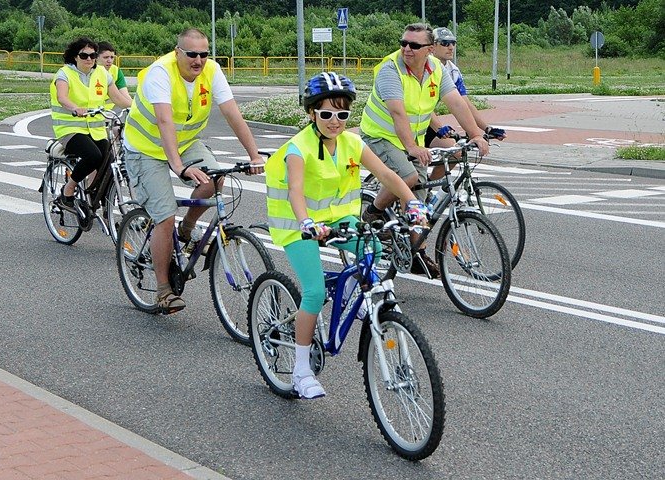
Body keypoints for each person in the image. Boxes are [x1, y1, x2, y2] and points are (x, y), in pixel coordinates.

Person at [265, 72, 428, 399]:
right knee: (312, 293)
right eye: (326, 114)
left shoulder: (353, 143)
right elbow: (296, 192)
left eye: (342, 114)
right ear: (312, 114)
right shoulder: (299, 149)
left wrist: (413, 205)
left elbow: (387, 175)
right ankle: (300, 370)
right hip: (298, 226)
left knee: (375, 254)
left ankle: (359, 298)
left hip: (339, 221)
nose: (335, 121)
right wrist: (306, 222)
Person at [123, 28, 264, 314]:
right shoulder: (160, 73)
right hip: (146, 150)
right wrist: (178, 166)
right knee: (164, 215)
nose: (198, 60)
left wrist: (254, 155)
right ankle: (163, 290)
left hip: (186, 143)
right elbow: (164, 120)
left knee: (216, 178)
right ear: (178, 53)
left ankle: (186, 231)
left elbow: (232, 113)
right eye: (192, 54)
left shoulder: (211, 71)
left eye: (204, 54)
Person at [359, 22, 490, 278]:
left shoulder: (436, 70)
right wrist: (412, 147)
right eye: (403, 43)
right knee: (408, 177)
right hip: (379, 136)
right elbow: (397, 112)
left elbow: (455, 102)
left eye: (415, 45)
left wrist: (476, 133)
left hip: (410, 138)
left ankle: (416, 250)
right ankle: (372, 212)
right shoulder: (390, 69)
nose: (407, 49)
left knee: (418, 202)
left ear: (429, 49)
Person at [50, 37, 132, 212]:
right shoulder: (64, 74)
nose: (89, 59)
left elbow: (118, 98)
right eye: (84, 55)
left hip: (96, 130)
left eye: (93, 55)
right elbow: (62, 97)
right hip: (70, 129)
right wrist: (74, 108)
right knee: (93, 156)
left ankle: (94, 195)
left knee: (109, 161)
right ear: (75, 56)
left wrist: (139, 109)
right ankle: (69, 189)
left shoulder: (102, 74)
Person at [424, 27, 506, 180]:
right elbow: (420, 105)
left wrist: (487, 128)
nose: (451, 47)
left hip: (426, 121)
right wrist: (440, 128)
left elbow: (464, 103)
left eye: (453, 43)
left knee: (456, 153)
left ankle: (428, 187)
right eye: (445, 43)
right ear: (432, 46)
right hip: (412, 120)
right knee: (413, 169)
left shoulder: (452, 71)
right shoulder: (424, 67)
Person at [97, 41, 133, 109]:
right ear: (96, 57)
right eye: (106, 57)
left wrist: (135, 107)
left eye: (112, 57)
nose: (109, 60)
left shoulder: (116, 70)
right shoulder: (89, 71)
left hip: (112, 111)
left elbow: (125, 95)